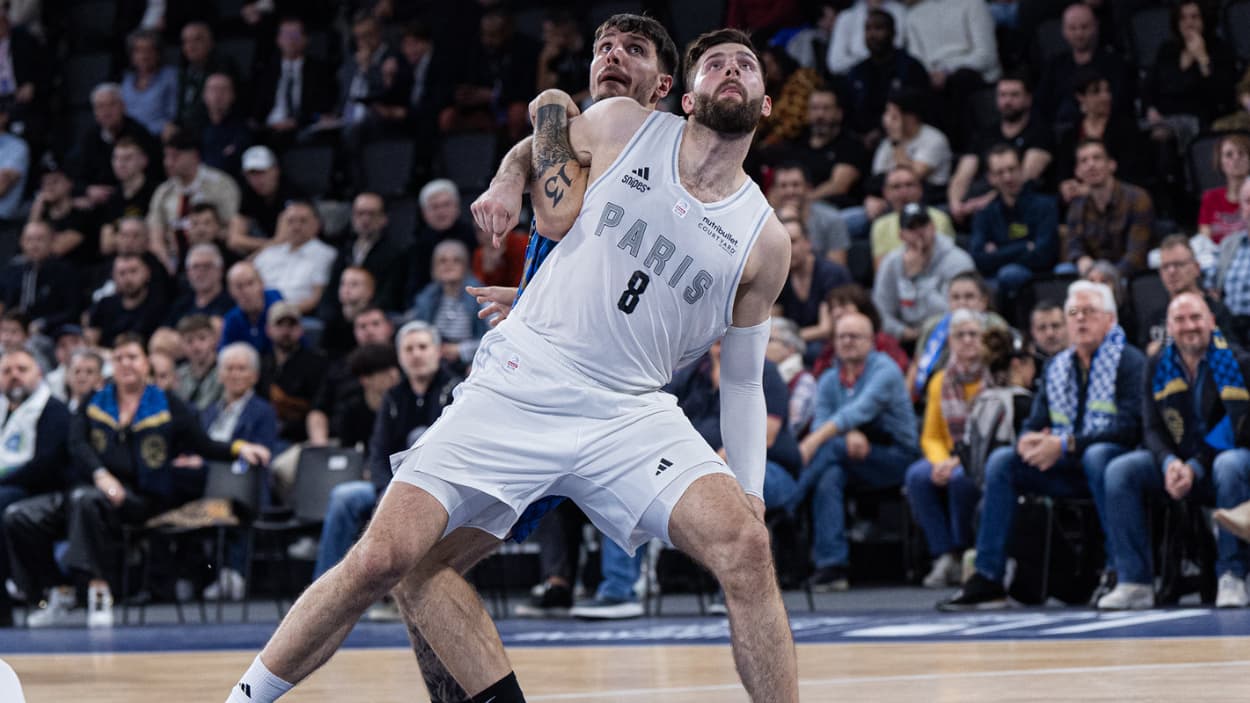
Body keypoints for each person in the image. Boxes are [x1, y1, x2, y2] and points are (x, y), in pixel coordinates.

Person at [225, 27, 798, 703]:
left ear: (765, 105)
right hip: (523, 378)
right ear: (688, 100)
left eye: (745, 65)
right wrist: (520, 153)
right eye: (714, 64)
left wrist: (750, 487)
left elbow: (739, 376)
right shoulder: (625, 124)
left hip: (630, 410)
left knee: (747, 546)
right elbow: (541, 150)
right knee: (388, 559)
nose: (730, 70)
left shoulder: (764, 238)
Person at [6, 336, 268, 628]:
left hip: (143, 500)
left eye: (132, 357)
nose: (126, 364)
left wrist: (238, 448)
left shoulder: (165, 403)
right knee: (19, 517)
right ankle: (58, 590)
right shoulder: (95, 401)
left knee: (85, 501)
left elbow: (203, 444)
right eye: (119, 358)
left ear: (146, 363)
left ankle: (99, 590)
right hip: (92, 491)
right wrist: (101, 475)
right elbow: (77, 445)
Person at [939, 281, 1144, 610]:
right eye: (1073, 313)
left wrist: (1065, 445)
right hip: (1062, 467)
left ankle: (1119, 570)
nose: (1080, 320)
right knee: (1004, 460)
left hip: (1111, 465)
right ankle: (989, 577)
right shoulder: (1057, 365)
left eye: (1089, 312)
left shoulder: (1130, 362)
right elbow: (1034, 423)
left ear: (1110, 319)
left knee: (1097, 455)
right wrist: (1029, 442)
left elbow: (1131, 429)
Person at [1097, 293, 1250, 610]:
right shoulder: (1157, 365)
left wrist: (1192, 466)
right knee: (1120, 470)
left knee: (1230, 464)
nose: (1189, 326)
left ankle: (1232, 575)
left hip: (1225, 458)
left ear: (1211, 321)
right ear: (1169, 327)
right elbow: (1152, 427)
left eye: (1196, 318)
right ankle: (1134, 581)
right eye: (1180, 320)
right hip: (1178, 462)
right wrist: (1168, 463)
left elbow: (1234, 428)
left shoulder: (1236, 361)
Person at [311, 322, 459, 580]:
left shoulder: (458, 391)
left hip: (443, 489)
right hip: (394, 487)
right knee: (344, 497)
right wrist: (384, 492)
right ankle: (326, 587)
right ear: (400, 358)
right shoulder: (393, 396)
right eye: (409, 349)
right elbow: (378, 452)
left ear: (437, 352)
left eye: (423, 347)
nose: (416, 354)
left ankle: (406, 590)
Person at [792, 312, 918, 590]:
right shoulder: (828, 378)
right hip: (849, 456)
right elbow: (823, 420)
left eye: (855, 336)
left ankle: (787, 502)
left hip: (897, 456)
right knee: (829, 476)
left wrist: (814, 442)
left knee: (830, 448)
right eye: (842, 336)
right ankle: (832, 566)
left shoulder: (885, 369)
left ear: (871, 341)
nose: (848, 342)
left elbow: (862, 408)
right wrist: (846, 433)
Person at [905, 309, 990, 588]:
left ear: (985, 339)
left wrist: (955, 463)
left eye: (973, 334)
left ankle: (963, 551)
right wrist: (941, 461)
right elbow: (930, 435)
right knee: (918, 476)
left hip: (981, 455)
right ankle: (943, 555)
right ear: (950, 342)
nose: (967, 340)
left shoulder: (995, 375)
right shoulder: (940, 380)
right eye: (960, 335)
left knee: (961, 479)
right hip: (948, 455)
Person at [198, 341, 279, 601]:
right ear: (220, 375)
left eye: (241, 369)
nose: (234, 374)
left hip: (245, 480)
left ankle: (234, 573)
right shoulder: (208, 412)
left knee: (234, 493)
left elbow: (262, 454)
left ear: (254, 376)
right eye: (229, 369)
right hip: (204, 478)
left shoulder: (263, 412)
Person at [0, 349, 71, 627]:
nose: (14, 376)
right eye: (7, 371)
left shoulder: (53, 409)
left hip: (38, 488)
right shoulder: (4, 410)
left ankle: (8, 600)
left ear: (39, 374)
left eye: (21, 369)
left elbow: (47, 464)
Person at [948, 72, 1054, 222]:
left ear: (1028, 99)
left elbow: (1024, 179)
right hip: (979, 202)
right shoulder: (985, 134)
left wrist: (982, 203)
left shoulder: (1040, 133)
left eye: (1014, 95)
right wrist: (955, 203)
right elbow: (962, 175)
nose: (1007, 101)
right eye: (1003, 95)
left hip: (1018, 205)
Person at [969, 144, 1059, 305]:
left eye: (1012, 169)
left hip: (1040, 277)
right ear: (991, 178)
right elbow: (978, 258)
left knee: (1009, 273)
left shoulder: (1045, 205)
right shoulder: (984, 213)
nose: (1008, 177)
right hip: (998, 279)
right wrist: (1024, 246)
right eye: (1000, 172)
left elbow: (1044, 255)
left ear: (1022, 169)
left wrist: (998, 251)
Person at [873, 202, 975, 345]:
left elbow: (955, 310)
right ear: (901, 235)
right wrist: (904, 332)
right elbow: (880, 312)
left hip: (947, 337)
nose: (919, 232)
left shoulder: (958, 261)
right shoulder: (891, 263)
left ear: (933, 227)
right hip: (902, 338)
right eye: (912, 228)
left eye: (923, 225)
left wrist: (918, 278)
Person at [1059, 139, 1155, 277]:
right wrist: (1081, 259)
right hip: (1093, 272)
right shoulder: (1077, 205)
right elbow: (1074, 244)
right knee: (1063, 271)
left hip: (1129, 273)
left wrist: (1106, 277)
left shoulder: (1137, 198)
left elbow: (1136, 255)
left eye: (1097, 158)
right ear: (1077, 172)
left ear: (1112, 165)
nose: (1091, 165)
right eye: (1084, 161)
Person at [1142, 236, 1238, 354]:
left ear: (1196, 268)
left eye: (1179, 264)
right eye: (1165, 267)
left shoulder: (1217, 311)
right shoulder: (1154, 317)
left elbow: (1232, 353)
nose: (1171, 271)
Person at [252, 200, 336, 317]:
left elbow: (316, 298)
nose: (296, 227)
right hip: (259, 314)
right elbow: (241, 274)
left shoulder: (325, 254)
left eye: (303, 221)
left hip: (296, 317)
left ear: (316, 224)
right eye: (290, 221)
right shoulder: (269, 253)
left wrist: (281, 313)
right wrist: (275, 241)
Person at [869, 165, 956, 270]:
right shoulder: (880, 225)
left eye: (909, 185)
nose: (904, 191)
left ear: (920, 189)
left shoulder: (939, 218)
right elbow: (881, 269)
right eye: (896, 187)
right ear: (886, 193)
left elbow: (946, 261)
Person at [0, 221, 79, 335]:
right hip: (10, 330)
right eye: (29, 240)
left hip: (49, 331)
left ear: (51, 241)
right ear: (22, 242)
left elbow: (72, 310)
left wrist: (44, 323)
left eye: (40, 239)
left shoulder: (65, 272)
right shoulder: (12, 271)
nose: (34, 245)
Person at [86, 254, 167, 347]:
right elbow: (90, 341)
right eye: (122, 273)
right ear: (113, 277)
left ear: (147, 272)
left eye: (133, 271)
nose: (127, 278)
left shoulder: (159, 305)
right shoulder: (104, 305)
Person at [1208, 179, 1250, 345]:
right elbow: (1211, 285)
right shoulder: (1229, 244)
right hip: (1231, 330)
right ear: (1241, 208)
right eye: (1248, 202)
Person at [120, 29, 178, 136]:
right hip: (130, 140)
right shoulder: (126, 80)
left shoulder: (170, 77)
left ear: (158, 53)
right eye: (138, 51)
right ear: (131, 55)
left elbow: (173, 114)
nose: (144, 56)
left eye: (149, 50)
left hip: (158, 137)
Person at [826, 0, 907, 76]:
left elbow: (896, 50)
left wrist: (855, 57)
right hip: (854, 81)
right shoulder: (847, 16)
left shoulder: (900, 12)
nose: (872, 35)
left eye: (879, 28)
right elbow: (835, 64)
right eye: (867, 28)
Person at [1198, 133, 1249, 246]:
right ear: (1220, 162)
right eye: (1229, 155)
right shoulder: (1210, 198)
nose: (1236, 158)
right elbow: (1204, 240)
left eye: (1241, 153)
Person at [221, 261, 283, 354]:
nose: (246, 291)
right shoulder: (232, 319)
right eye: (239, 286)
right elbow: (224, 353)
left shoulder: (278, 307)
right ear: (231, 292)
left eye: (250, 283)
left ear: (261, 284)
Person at [174, 314, 223, 411]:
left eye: (202, 338)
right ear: (181, 345)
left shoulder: (225, 371)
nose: (196, 346)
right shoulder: (178, 375)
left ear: (214, 339)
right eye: (189, 341)